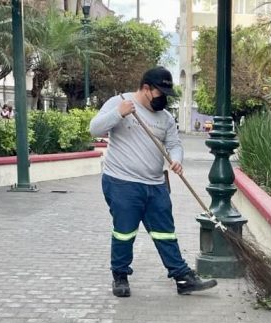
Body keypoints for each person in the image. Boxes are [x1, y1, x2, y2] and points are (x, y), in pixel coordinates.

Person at [89, 66, 218, 298]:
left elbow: (174, 145)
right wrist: (118, 113)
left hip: (156, 184)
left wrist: (176, 160)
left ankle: (182, 277)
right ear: (146, 88)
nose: (164, 100)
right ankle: (120, 276)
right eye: (160, 94)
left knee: (165, 232)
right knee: (124, 232)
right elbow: (94, 129)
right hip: (122, 182)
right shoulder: (120, 102)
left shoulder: (166, 118)